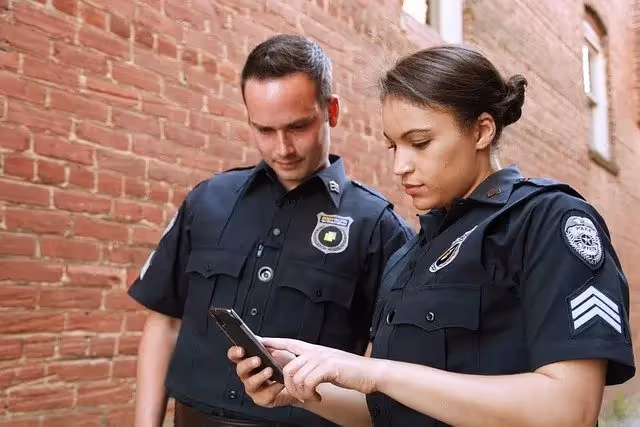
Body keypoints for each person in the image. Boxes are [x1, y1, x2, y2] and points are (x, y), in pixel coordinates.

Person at [228, 45, 636, 427]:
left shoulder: (547, 221)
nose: (399, 166)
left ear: (481, 131)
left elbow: (570, 409)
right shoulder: (409, 255)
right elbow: (385, 410)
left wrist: (377, 372)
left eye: (419, 143)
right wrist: (300, 387)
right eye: (393, 146)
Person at [127, 34, 415, 427]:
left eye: (298, 127)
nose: (282, 148)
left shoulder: (379, 228)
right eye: (264, 130)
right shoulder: (208, 200)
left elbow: (388, 369)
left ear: (331, 111)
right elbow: (165, 323)